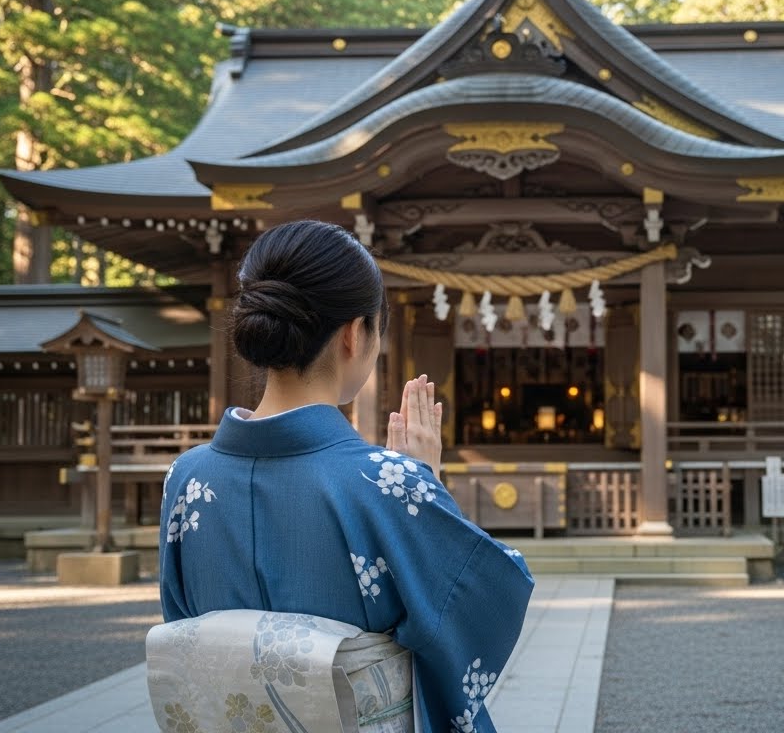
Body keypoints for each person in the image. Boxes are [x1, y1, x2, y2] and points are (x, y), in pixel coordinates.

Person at [158, 219, 534, 732]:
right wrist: (420, 484)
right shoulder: (387, 484)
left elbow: (183, 631)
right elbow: (482, 604)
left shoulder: (185, 478)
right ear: (355, 334)